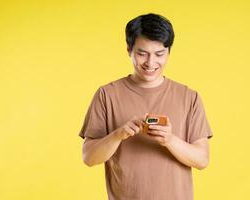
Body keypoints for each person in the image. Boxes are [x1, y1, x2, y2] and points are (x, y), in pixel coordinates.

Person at [79, 13, 213, 200]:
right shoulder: (106, 95)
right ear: (129, 50)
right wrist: (119, 134)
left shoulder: (189, 97)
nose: (150, 63)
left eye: (159, 54)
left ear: (169, 52)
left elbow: (202, 160)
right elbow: (89, 157)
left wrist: (169, 140)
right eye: (142, 53)